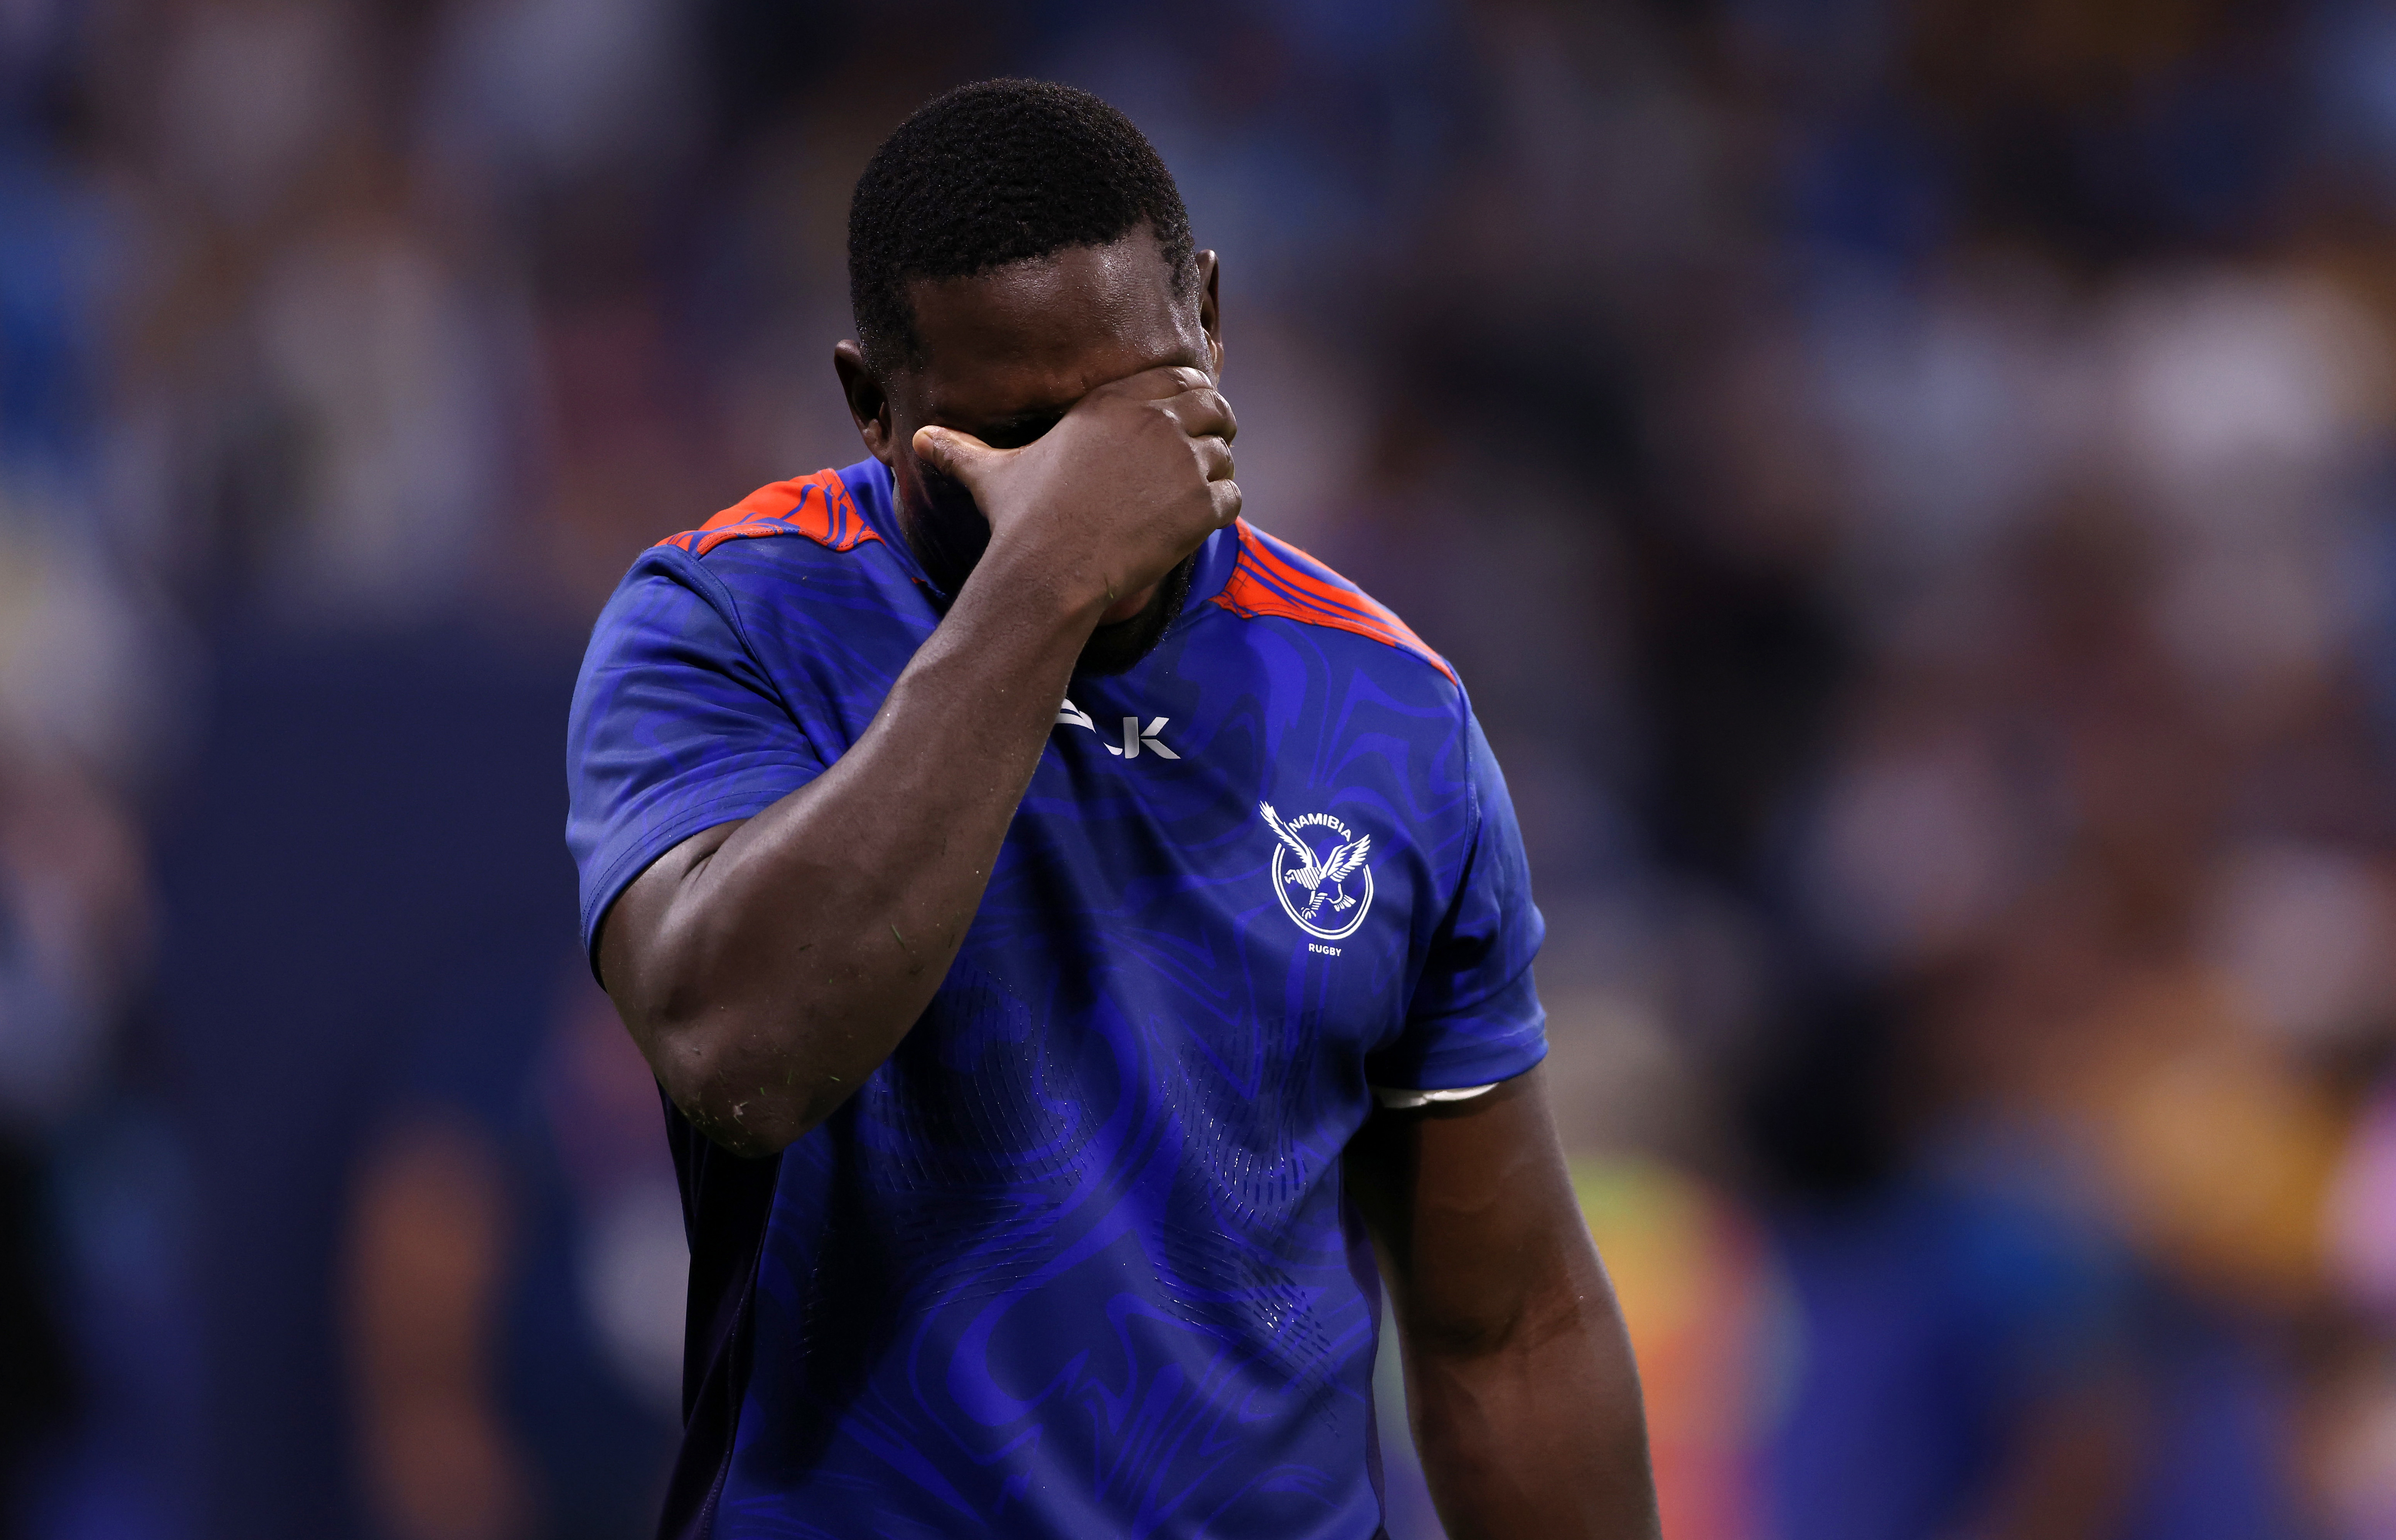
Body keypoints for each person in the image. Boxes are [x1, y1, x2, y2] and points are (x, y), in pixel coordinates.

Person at [566, 78, 1657, 1540]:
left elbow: (1508, 1324)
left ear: (1208, 312)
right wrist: (1043, 578)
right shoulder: (727, 618)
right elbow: (740, 1048)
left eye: (1134, 404)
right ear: (872, 406)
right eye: (1017, 437)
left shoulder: (1389, 711)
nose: (1102, 482)